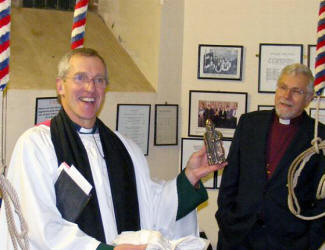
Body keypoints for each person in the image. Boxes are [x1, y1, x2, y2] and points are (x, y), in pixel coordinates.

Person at [0, 48, 227, 250]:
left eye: (99, 80)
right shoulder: (37, 145)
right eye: (80, 78)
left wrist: (189, 178)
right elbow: (37, 224)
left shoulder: (124, 147)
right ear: (60, 85)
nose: (91, 87)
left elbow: (152, 208)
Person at [216, 63, 325, 250]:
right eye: (282, 87)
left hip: (289, 242)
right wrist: (226, 219)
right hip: (238, 237)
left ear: (308, 98)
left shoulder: (319, 137)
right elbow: (230, 179)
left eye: (296, 91)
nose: (286, 96)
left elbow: (322, 201)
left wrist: (309, 243)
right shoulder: (250, 123)